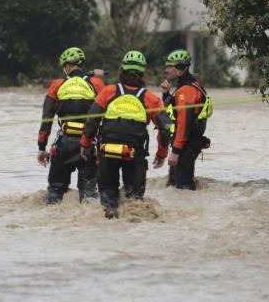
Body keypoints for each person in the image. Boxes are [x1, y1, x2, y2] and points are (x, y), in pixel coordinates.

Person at [80, 51, 172, 219]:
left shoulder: (108, 92)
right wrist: (162, 154)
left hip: (107, 151)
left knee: (108, 197)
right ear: (142, 74)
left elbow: (92, 121)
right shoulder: (151, 98)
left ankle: (110, 212)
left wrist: (85, 145)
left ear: (121, 70)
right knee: (134, 201)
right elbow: (166, 128)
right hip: (135, 154)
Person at [38, 47, 106, 204]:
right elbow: (107, 116)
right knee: (89, 194)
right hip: (88, 144)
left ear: (67, 66)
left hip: (63, 145)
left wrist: (41, 147)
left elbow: (46, 119)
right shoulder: (97, 84)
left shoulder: (57, 85)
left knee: (55, 193)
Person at [160, 49, 211, 190]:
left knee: (184, 188)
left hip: (186, 145)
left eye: (169, 67)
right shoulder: (183, 87)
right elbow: (170, 116)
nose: (166, 70)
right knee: (173, 185)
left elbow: (184, 123)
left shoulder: (187, 91)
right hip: (182, 143)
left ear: (180, 69)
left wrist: (175, 151)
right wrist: (165, 95)